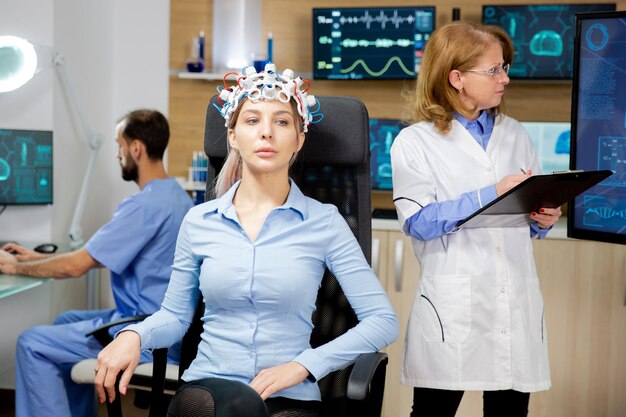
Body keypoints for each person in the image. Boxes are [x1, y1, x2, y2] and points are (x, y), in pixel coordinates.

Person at [94, 64, 399, 417]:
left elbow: (382, 320)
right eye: (252, 120)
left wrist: (303, 366)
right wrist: (134, 335)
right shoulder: (200, 221)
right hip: (207, 391)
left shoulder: (325, 222)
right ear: (234, 136)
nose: (266, 133)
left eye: (282, 122)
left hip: (289, 396)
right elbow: (176, 316)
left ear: (299, 139)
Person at [390, 22, 562, 417]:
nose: (505, 79)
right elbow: (417, 221)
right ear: (457, 78)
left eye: (505, 68)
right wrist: (492, 192)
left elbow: (526, 220)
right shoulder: (415, 142)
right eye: (494, 70)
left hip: (514, 299)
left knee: (509, 411)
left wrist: (543, 219)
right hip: (453, 309)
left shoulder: (515, 133)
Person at [0, 109, 194, 417]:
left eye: (120, 145)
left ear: (136, 148)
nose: (118, 154)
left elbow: (76, 266)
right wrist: (37, 258)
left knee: (31, 343)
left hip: (145, 331)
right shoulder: (177, 197)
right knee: (65, 319)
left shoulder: (143, 206)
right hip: (164, 324)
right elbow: (99, 254)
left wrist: (14, 267)